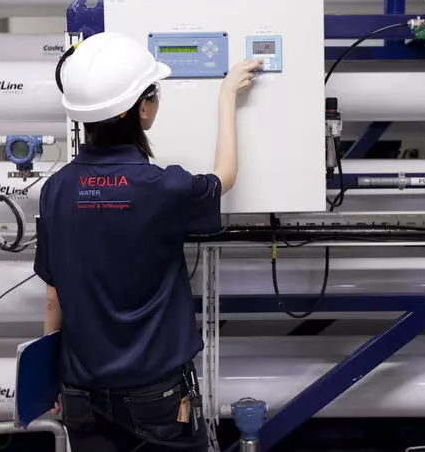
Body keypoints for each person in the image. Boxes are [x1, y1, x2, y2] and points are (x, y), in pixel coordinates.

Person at [34, 31, 262, 452]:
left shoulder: (56, 190)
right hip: (154, 395)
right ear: (143, 108)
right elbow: (224, 176)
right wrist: (227, 95)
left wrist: (47, 379)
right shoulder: (161, 188)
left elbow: (53, 298)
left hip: (80, 389)